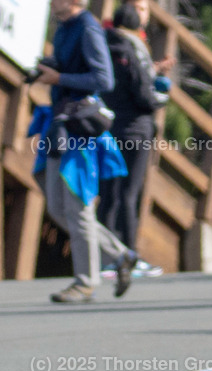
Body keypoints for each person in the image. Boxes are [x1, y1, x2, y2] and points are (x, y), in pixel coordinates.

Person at [36, 0, 135, 304]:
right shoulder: (64, 27)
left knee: (77, 207)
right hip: (60, 123)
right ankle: (120, 255)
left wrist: (59, 79)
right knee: (56, 206)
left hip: (79, 129)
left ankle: (86, 282)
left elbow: (103, 79)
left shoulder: (88, 28)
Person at [97, 3, 168, 268]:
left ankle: (105, 256)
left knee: (108, 194)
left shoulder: (104, 45)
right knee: (129, 194)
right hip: (136, 130)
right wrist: (162, 96)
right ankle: (129, 256)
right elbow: (144, 95)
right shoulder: (133, 48)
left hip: (109, 127)